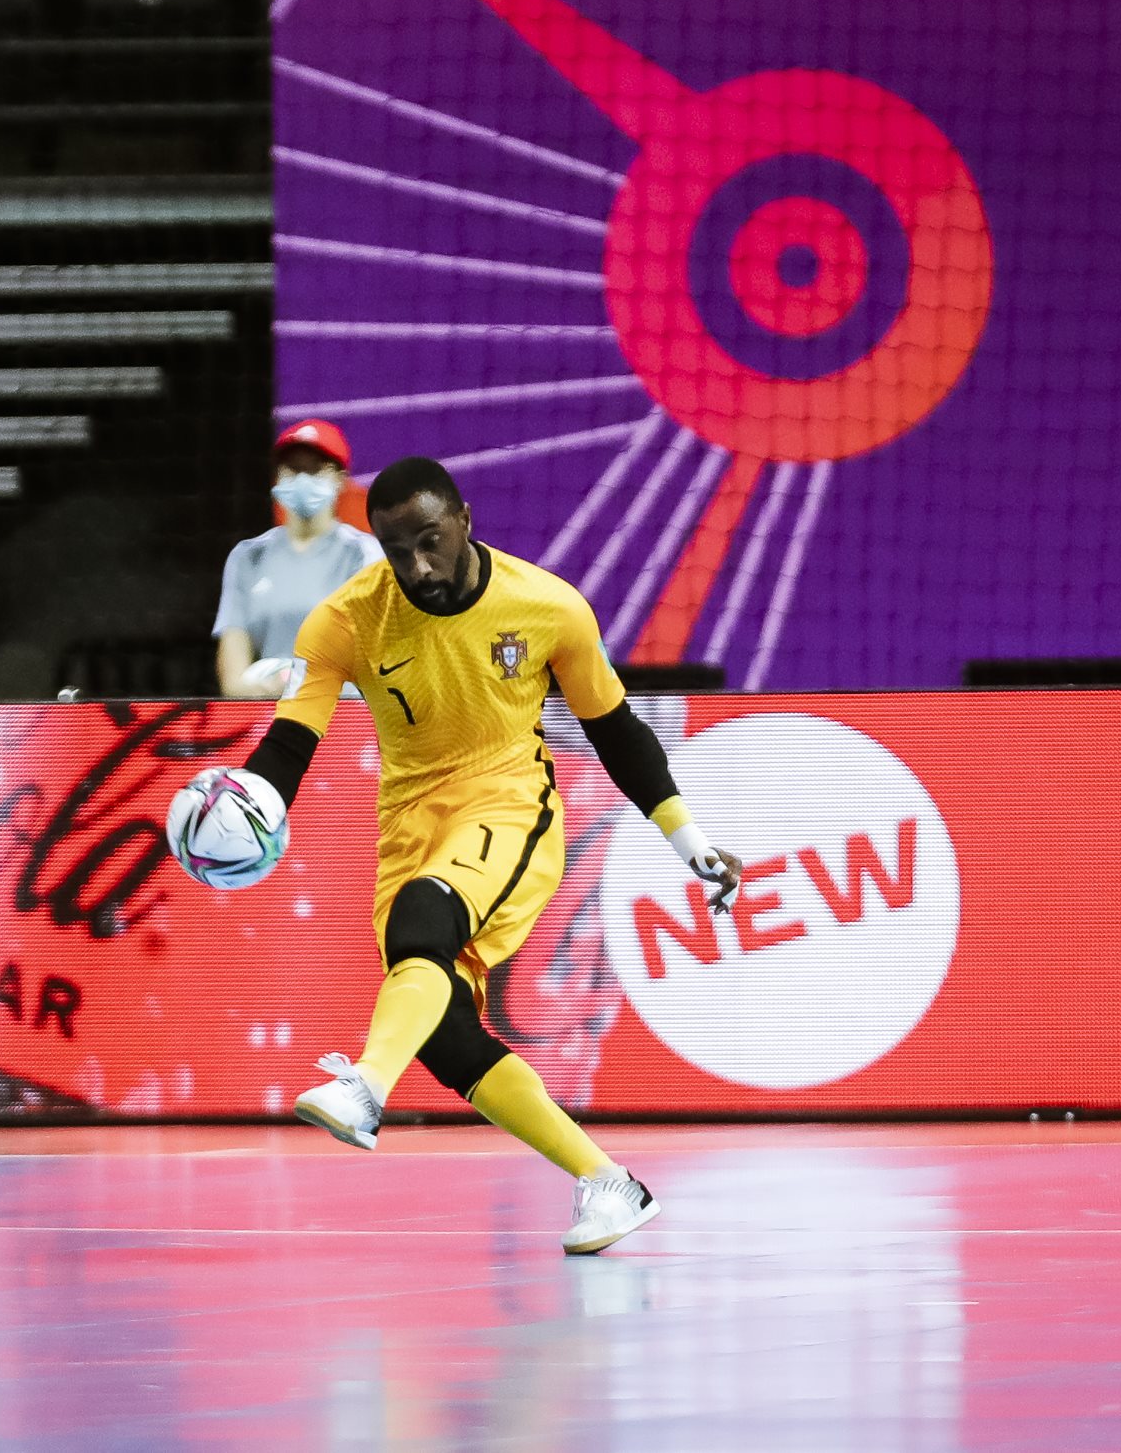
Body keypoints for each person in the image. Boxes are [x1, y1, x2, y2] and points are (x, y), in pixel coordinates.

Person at [233, 456, 744, 1254]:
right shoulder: (346, 620)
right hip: (409, 824)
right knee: (441, 1030)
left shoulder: (547, 606)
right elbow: (293, 739)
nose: (417, 567)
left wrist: (689, 839)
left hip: (511, 805)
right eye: (396, 550)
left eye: (430, 541)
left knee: (421, 929)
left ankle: (366, 1087)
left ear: (465, 519)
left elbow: (616, 731)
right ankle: (609, 1182)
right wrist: (251, 802)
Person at [214, 419, 382, 697]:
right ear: (277, 477)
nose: (303, 479)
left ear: (340, 478)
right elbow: (233, 682)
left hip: (345, 719)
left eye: (315, 470)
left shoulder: (363, 554)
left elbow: (375, 662)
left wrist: (304, 684)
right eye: (293, 469)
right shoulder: (247, 557)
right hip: (268, 717)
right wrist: (272, 687)